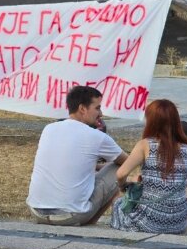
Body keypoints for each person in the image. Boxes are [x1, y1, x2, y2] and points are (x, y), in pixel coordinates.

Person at [26, 85, 127, 226]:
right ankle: (89, 223)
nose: (101, 113)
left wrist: (97, 166)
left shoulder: (49, 129)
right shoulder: (96, 136)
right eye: (97, 108)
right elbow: (128, 162)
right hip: (71, 216)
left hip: (36, 211)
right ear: (82, 109)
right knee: (119, 169)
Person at [110, 99, 187, 234]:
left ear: (151, 121)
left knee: (117, 204)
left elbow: (121, 173)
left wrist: (123, 186)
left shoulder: (145, 145)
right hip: (179, 223)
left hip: (149, 222)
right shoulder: (186, 148)